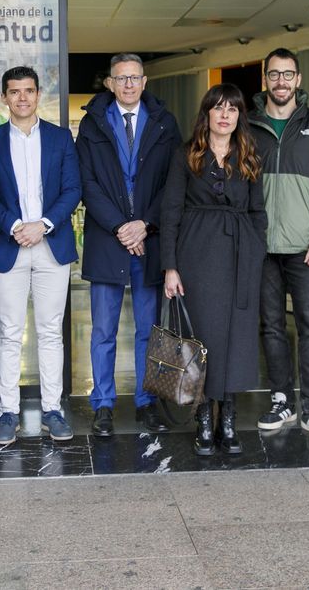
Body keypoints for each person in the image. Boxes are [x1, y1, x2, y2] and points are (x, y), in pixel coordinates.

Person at [77, 53, 180, 437]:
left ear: (145, 81)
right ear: (110, 83)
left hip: (149, 241)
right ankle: (103, 404)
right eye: (121, 78)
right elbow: (86, 182)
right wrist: (122, 226)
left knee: (148, 330)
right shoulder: (92, 123)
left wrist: (145, 224)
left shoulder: (165, 122)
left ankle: (146, 402)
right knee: (102, 330)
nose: (129, 84)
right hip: (108, 239)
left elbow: (174, 181)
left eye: (135, 77)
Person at [161, 83, 266, 456]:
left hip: (240, 257)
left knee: (236, 339)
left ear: (239, 116)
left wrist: (256, 251)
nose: (225, 115)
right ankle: (204, 418)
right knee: (202, 338)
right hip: (197, 256)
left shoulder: (249, 155)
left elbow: (258, 211)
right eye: (218, 108)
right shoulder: (186, 154)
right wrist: (170, 266)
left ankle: (229, 418)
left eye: (232, 109)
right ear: (206, 113)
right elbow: (170, 211)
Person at [248, 47, 309, 444]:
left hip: (308, 248)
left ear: (298, 80)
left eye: (288, 74)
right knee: (271, 327)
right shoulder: (248, 126)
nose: (281, 81)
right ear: (265, 79)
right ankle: (281, 400)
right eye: (274, 74)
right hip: (262, 248)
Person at [0, 66, 81, 445]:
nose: (22, 97)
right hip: (9, 246)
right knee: (9, 333)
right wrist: (15, 225)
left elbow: (73, 189)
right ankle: (8, 412)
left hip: (51, 246)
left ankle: (53, 410)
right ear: (4, 97)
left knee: (51, 332)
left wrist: (44, 224)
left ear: (38, 95)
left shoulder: (60, 138)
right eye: (14, 91)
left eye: (28, 91)